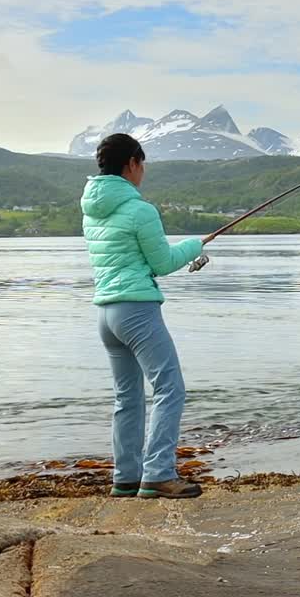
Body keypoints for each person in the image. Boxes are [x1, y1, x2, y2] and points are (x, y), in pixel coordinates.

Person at [80, 133, 205, 499]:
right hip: (136, 311)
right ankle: (158, 475)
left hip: (107, 315)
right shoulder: (140, 210)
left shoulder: (92, 211)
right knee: (170, 388)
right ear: (132, 163)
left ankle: (126, 478)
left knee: (127, 398)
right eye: (142, 163)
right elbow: (163, 263)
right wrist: (195, 245)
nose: (143, 171)